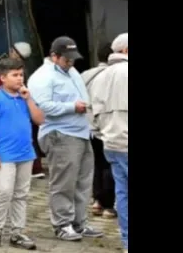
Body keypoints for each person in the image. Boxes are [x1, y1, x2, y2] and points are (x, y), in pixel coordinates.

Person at [28, 36, 103, 241]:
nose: (70, 62)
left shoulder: (71, 71)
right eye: (66, 58)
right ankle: (62, 223)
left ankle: (79, 222)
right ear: (54, 56)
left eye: (72, 58)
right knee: (64, 182)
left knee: (83, 180)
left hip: (80, 131)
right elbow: (41, 107)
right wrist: (72, 107)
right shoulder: (42, 77)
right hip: (60, 133)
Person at [0, 58, 45, 249]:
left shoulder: (25, 98)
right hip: (5, 154)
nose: (19, 79)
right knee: (4, 191)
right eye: (14, 75)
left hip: (25, 153)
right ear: (2, 78)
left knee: (21, 194)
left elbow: (39, 119)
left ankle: (17, 231)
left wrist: (29, 98)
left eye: (21, 75)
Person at [88, 33, 128, 253]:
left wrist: (102, 133)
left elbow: (90, 112)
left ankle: (127, 242)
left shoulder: (100, 77)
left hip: (111, 143)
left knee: (122, 192)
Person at [81, 42, 117, 219]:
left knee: (96, 163)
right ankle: (109, 205)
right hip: (109, 126)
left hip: (89, 127)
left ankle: (96, 200)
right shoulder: (115, 75)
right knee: (111, 164)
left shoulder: (86, 75)